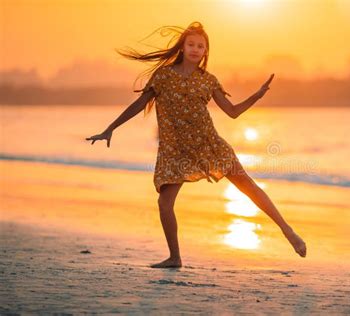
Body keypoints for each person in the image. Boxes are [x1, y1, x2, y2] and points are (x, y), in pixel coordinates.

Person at [86, 21, 306, 268]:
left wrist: (256, 95)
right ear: (182, 46)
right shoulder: (164, 76)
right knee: (164, 203)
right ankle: (174, 257)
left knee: (248, 185)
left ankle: (288, 232)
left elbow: (232, 112)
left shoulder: (208, 80)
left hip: (209, 144)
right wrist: (110, 128)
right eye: (191, 44)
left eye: (200, 46)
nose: (195, 49)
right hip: (174, 150)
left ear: (205, 51)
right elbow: (139, 104)